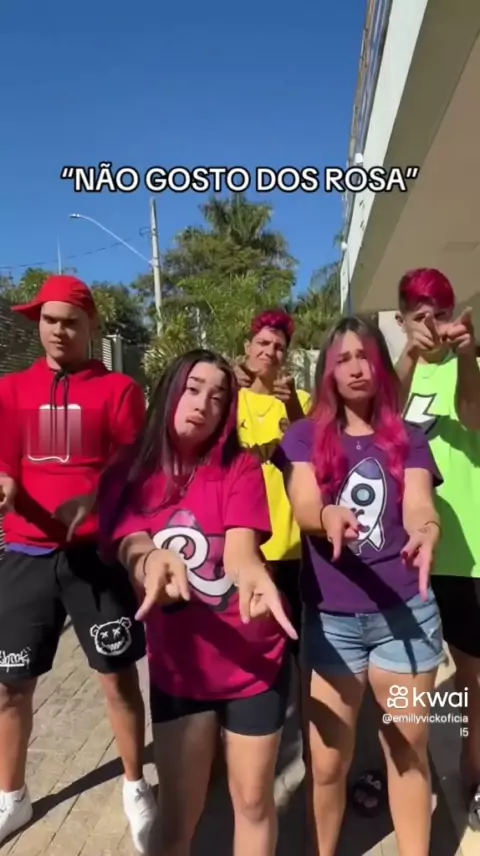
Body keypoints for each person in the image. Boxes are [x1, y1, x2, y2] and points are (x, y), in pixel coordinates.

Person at [98, 348, 297, 856]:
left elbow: (242, 550)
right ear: (170, 390)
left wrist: (253, 574)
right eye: (193, 389)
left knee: (253, 803)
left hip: (254, 664)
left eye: (218, 397)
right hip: (181, 674)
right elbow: (130, 544)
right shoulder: (126, 472)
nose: (204, 404)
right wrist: (150, 562)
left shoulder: (239, 467)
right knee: (177, 821)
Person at [274, 316, 444, 856]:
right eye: (343, 358)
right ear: (328, 370)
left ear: (381, 366)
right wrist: (327, 515)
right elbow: (304, 504)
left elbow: (418, 502)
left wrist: (427, 529)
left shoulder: (408, 438)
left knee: (407, 750)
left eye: (365, 356)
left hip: (406, 616)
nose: (355, 368)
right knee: (327, 763)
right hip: (333, 623)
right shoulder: (304, 436)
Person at [0, 276, 155, 851]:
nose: (59, 331)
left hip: (97, 556)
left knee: (117, 678)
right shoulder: (11, 390)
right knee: (11, 686)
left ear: (91, 326)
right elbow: (6, 462)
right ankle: (12, 796)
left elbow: (131, 464)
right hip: (26, 553)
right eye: (49, 320)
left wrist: (96, 496)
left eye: (70, 321)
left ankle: (136, 786)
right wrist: (6, 484)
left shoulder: (118, 390)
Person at [394, 267, 480, 829]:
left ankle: (474, 774)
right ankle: (403, 779)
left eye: (440, 315)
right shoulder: (394, 373)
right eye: (420, 316)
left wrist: (467, 356)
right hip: (406, 558)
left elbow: (473, 413)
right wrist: (408, 356)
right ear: (403, 319)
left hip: (468, 554)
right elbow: (376, 416)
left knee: (472, 680)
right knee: (406, 686)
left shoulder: (470, 367)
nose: (432, 326)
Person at [235, 309, 311, 653]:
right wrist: (228, 384)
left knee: (295, 643)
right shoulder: (229, 399)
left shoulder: (301, 400)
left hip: (292, 547)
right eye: (263, 343)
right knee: (248, 642)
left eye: (279, 347)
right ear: (247, 347)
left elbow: (315, 454)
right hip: (244, 546)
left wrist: (293, 407)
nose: (270, 352)